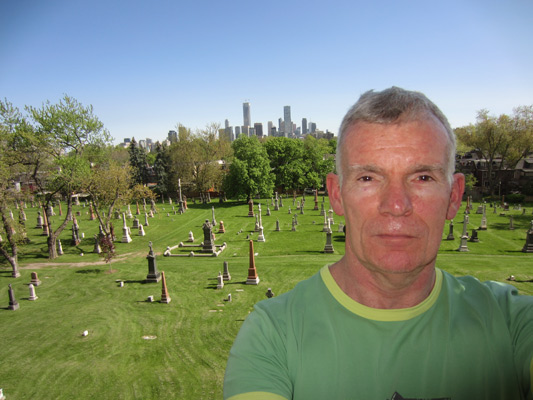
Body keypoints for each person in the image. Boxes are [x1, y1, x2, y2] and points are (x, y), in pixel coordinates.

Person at [223, 87, 533, 400]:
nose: (396, 205)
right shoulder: (272, 335)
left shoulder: (511, 322)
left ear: (454, 196)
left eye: (422, 177)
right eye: (368, 178)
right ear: (336, 195)